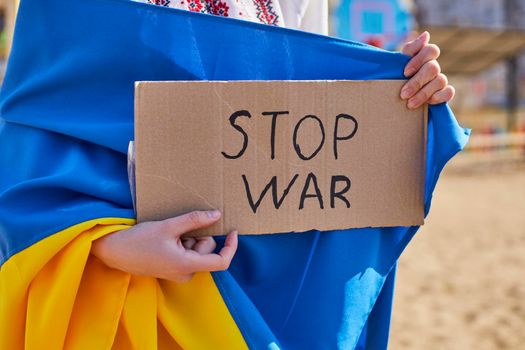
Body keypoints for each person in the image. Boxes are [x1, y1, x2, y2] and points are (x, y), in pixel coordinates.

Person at [0, 0, 468, 349]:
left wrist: (401, 93)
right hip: (124, 295)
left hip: (270, 298)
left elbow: (312, 117)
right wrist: (108, 247)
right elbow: (31, 136)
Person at [93, 0, 455, 285]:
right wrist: (103, 246)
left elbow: (314, 96)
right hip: (124, 281)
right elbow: (52, 114)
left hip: (268, 282)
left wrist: (401, 89)